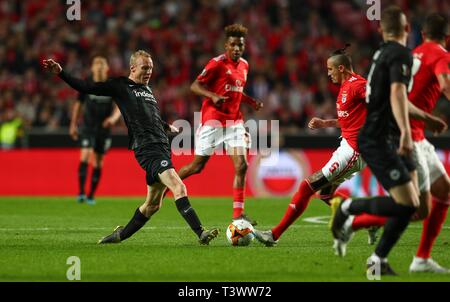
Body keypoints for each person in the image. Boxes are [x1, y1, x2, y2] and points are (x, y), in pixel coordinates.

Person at [43, 50, 219, 245]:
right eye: (145, 68)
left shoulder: (147, 90)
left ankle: (119, 236)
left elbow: (150, 116)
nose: (149, 72)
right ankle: (201, 233)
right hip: (147, 148)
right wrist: (61, 72)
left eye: (151, 68)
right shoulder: (120, 86)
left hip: (161, 147)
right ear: (133, 68)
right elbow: (86, 87)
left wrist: (166, 126)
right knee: (179, 186)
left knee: (152, 205)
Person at [330, 6, 447, 275]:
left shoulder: (381, 53)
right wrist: (407, 131)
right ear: (407, 30)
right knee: (408, 204)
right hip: (382, 138)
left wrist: (425, 118)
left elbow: (398, 97)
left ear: (382, 30)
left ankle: (377, 261)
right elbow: (396, 94)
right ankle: (349, 208)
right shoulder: (401, 54)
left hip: (383, 136)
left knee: (413, 205)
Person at [253, 45, 369, 245]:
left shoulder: (359, 85)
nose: (328, 73)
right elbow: (351, 120)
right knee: (325, 194)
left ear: (341, 68)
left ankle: (273, 235)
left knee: (306, 187)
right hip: (346, 145)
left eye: (330, 69)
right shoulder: (345, 87)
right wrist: (326, 123)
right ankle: (368, 219)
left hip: (355, 150)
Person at [176, 24, 263, 225]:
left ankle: (238, 214)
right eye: (233, 44)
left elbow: (237, 92)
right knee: (197, 167)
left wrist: (251, 102)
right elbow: (194, 86)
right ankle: (167, 183)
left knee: (241, 165)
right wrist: (212, 95)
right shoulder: (216, 64)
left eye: (240, 45)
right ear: (226, 45)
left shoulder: (245, 65)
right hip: (213, 121)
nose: (236, 48)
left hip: (234, 122)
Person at [69, 55, 121, 205]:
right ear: (92, 68)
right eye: (96, 63)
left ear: (106, 68)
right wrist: (73, 124)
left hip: (103, 130)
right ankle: (80, 192)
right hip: (88, 127)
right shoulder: (87, 84)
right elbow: (78, 105)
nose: (98, 66)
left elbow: (119, 106)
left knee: (98, 162)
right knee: (85, 155)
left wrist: (113, 118)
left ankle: (91, 194)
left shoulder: (111, 85)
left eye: (102, 64)